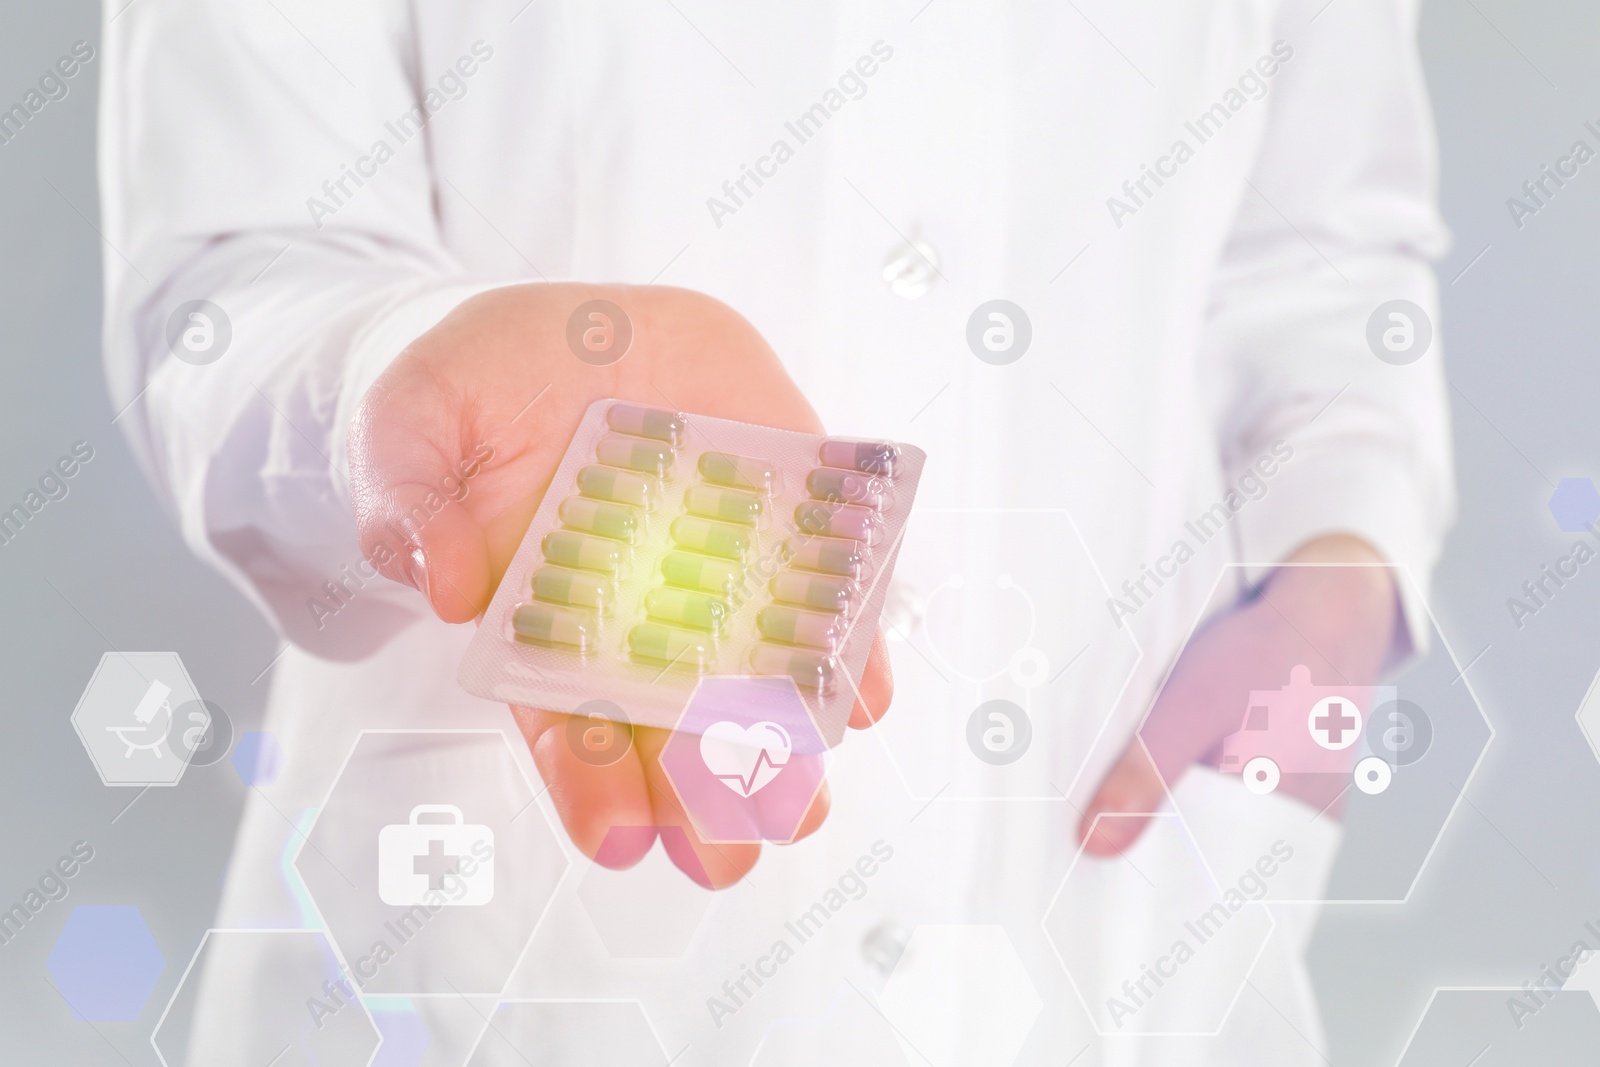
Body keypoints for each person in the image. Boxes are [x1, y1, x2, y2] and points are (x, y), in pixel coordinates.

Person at [101, 1, 1452, 1063]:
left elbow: (1325, 253)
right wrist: (392, 378)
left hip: (1101, 935)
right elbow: (234, 271)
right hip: (506, 964)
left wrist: (1340, 554)